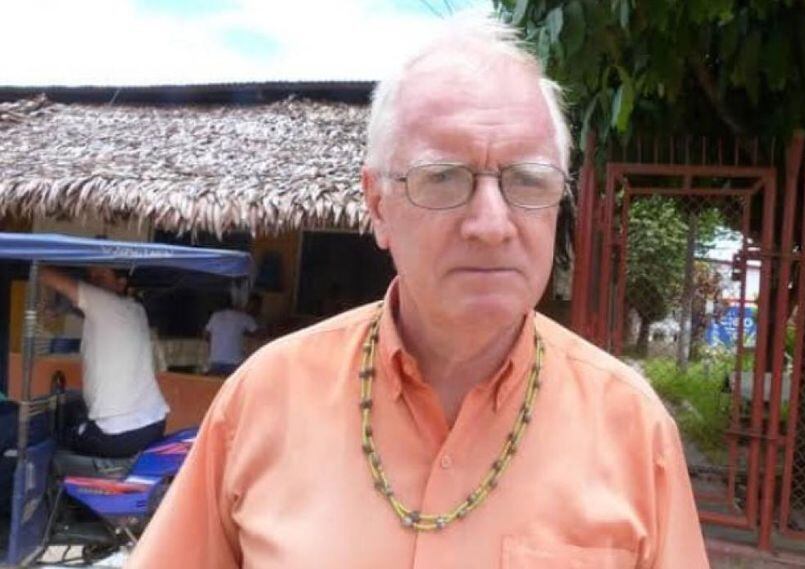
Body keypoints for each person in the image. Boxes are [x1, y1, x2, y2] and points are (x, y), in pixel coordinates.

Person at [129, 13, 708, 568]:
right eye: (444, 177)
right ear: (378, 205)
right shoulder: (264, 398)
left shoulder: (633, 428)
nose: (491, 224)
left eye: (529, 180)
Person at [39, 266, 169, 458]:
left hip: (118, 434)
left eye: (101, 276)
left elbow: (45, 274)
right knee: (75, 405)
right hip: (153, 423)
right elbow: (76, 305)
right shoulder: (134, 309)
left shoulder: (105, 304)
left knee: (53, 439)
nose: (93, 281)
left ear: (121, 284)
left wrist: (31, 260)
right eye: (90, 276)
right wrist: (57, 308)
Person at [204, 297, 259, 376]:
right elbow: (259, 335)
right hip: (235, 362)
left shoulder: (215, 316)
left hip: (215, 361)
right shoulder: (244, 317)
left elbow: (206, 335)